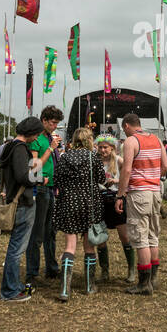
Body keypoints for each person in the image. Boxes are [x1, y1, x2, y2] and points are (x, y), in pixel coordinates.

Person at [116, 113, 167, 296]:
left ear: (126, 126)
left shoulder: (131, 142)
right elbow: (166, 166)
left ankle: (144, 283)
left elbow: (127, 169)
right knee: (153, 235)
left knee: (140, 238)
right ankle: (153, 278)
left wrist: (121, 195)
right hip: (155, 192)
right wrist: (153, 177)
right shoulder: (156, 139)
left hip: (139, 193)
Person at [53, 127, 105, 301]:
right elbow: (101, 179)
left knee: (69, 246)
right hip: (89, 204)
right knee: (89, 246)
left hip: (69, 203)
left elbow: (57, 179)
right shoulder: (93, 157)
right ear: (89, 140)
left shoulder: (65, 156)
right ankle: (90, 286)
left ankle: (64, 290)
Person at [0, 117, 43, 301]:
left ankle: (14, 285)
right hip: (22, 203)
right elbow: (22, 177)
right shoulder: (19, 149)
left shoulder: (9, 146)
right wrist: (39, 177)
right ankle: (10, 291)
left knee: (16, 247)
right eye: (37, 134)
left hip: (13, 199)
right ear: (32, 133)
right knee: (16, 249)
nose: (37, 138)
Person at [25, 106, 64, 285]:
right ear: (44, 120)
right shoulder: (36, 140)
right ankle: (32, 272)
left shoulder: (49, 138)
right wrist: (50, 148)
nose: (55, 126)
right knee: (38, 233)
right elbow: (34, 168)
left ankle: (51, 267)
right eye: (53, 122)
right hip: (41, 190)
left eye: (57, 123)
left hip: (51, 189)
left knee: (51, 232)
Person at [96, 134, 135, 282]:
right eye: (100, 147)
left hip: (116, 200)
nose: (102, 150)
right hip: (100, 200)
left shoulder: (118, 160)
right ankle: (104, 271)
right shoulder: (96, 161)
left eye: (105, 147)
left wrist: (116, 180)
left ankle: (131, 270)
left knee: (124, 236)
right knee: (100, 238)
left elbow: (129, 176)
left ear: (112, 148)